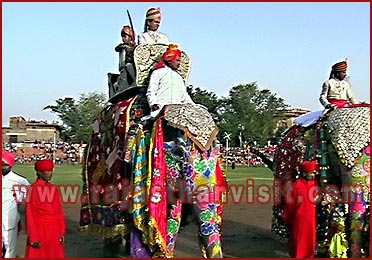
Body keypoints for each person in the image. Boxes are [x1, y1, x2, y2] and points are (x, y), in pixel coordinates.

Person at [25, 159, 66, 258]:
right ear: (39, 172)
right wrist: (33, 237)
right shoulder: (33, 189)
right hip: (41, 230)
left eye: (51, 170)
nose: (50, 173)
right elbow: (30, 214)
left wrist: (61, 231)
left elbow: (59, 211)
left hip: (54, 230)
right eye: (46, 171)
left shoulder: (53, 188)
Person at [146, 43, 195, 118]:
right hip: (160, 111)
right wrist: (153, 103)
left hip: (177, 113)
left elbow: (184, 95)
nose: (179, 63)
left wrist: (194, 106)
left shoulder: (179, 77)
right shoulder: (157, 73)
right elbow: (151, 91)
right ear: (169, 60)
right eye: (177, 60)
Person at [282, 160, 319, 258]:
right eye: (311, 173)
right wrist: (288, 219)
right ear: (304, 173)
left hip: (311, 220)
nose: (313, 175)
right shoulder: (296, 186)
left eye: (314, 173)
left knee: (310, 244)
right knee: (299, 244)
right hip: (299, 221)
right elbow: (289, 206)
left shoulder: (314, 183)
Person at [2, 150, 30, 258]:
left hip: (10, 216)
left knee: (9, 244)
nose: (3, 167)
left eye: (5, 165)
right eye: (1, 165)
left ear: (11, 165)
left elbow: (29, 196)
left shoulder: (19, 180)